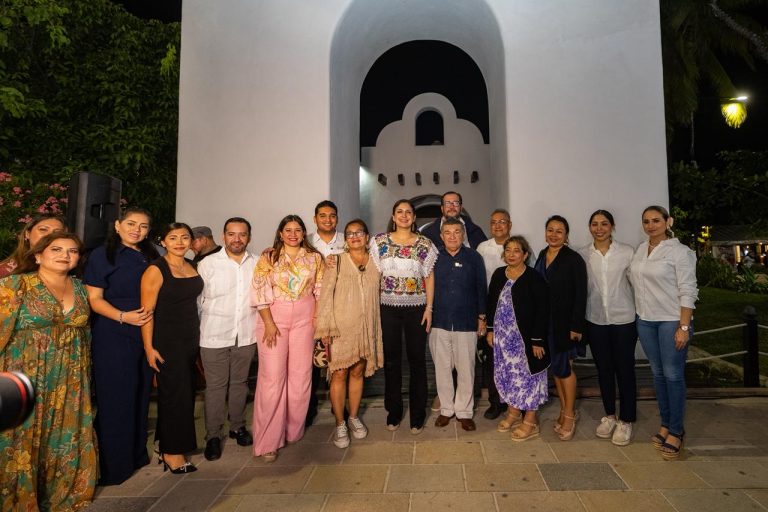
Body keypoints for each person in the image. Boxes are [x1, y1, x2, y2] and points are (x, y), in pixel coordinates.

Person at [0, 232, 97, 510]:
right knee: (20, 436)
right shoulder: (15, 284)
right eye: (56, 249)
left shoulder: (80, 288)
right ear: (38, 255)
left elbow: (85, 334)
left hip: (69, 377)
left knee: (62, 436)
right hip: (23, 374)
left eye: (72, 251)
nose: (65, 255)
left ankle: (59, 493)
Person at [83, 207, 158, 485]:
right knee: (116, 398)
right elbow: (94, 299)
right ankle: (114, 467)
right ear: (117, 225)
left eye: (143, 226)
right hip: (114, 331)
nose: (136, 230)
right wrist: (124, 316)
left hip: (146, 332)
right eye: (131, 223)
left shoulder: (150, 256)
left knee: (140, 394)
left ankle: (136, 455)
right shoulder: (103, 254)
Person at [251, 215, 323, 462]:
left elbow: (320, 290)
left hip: (305, 320)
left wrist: (317, 320)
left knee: (301, 377)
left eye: (298, 230)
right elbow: (259, 290)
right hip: (274, 320)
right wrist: (269, 323)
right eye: (288, 230)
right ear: (280, 233)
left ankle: (293, 430)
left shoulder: (314, 258)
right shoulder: (269, 257)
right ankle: (268, 441)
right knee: (272, 379)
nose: (293, 234)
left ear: (304, 233)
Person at [630, 205, 698, 460]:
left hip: (671, 321)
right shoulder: (641, 249)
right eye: (646, 221)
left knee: (673, 375)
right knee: (658, 375)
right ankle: (666, 424)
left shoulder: (680, 252)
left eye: (656, 220)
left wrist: (683, 327)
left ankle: (677, 431)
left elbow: (688, 290)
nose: (651, 225)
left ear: (668, 222)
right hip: (646, 321)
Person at [314, 219, 383, 448]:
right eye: (350, 233)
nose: (354, 236)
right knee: (339, 374)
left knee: (358, 371)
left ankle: (353, 417)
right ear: (346, 239)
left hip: (366, 328)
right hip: (340, 328)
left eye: (359, 232)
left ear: (367, 237)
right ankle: (340, 423)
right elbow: (325, 296)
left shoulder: (377, 262)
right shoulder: (336, 261)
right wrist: (325, 327)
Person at [140, 222, 203, 473]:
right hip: (167, 340)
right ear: (163, 242)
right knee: (174, 396)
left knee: (185, 394)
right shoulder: (156, 270)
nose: (179, 242)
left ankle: (165, 444)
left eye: (184, 237)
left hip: (190, 339)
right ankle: (172, 453)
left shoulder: (192, 265)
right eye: (173, 238)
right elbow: (147, 312)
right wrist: (148, 347)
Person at [371, 199, 437, 434]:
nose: (404, 215)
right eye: (399, 211)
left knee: (417, 361)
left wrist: (429, 308)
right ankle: (394, 411)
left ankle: (417, 414)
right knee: (391, 361)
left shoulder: (425, 244)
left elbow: (429, 277)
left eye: (408, 212)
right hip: (387, 308)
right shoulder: (379, 242)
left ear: (414, 217)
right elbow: (373, 274)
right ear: (393, 216)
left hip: (416, 308)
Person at [198, 217, 257, 461]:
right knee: (215, 387)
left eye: (242, 234)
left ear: (249, 237)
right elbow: (198, 301)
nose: (237, 239)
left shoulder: (258, 263)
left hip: (246, 333)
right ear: (223, 237)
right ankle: (213, 435)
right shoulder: (208, 264)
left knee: (240, 383)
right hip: (214, 334)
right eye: (232, 234)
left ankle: (237, 426)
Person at [578, 210, 637, 446]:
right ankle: (610, 416)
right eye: (594, 224)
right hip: (595, 319)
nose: (599, 228)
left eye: (604, 224)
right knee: (604, 370)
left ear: (612, 226)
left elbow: (637, 284)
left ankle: (627, 420)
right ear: (589, 227)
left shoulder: (627, 252)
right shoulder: (583, 254)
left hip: (624, 319)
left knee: (625, 370)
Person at [486, 236, 549, 441]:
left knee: (529, 377)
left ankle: (530, 419)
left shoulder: (533, 277)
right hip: (503, 339)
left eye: (516, 250)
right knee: (510, 376)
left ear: (525, 254)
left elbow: (543, 310)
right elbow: (491, 303)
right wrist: (490, 330)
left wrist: (537, 340)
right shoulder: (498, 274)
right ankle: (513, 412)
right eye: (508, 250)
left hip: (525, 340)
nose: (511, 254)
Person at [429, 218, 486, 431]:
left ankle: (464, 412)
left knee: (466, 370)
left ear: (463, 235)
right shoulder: (433, 258)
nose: (452, 236)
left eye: (456, 232)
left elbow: (481, 288)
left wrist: (482, 317)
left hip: (466, 322)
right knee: (442, 369)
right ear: (441, 236)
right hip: (439, 322)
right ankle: (446, 410)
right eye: (447, 232)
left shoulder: (474, 257)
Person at [534, 215, 587, 441]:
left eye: (559, 231)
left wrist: (576, 326)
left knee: (565, 368)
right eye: (550, 230)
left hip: (565, 324)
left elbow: (581, 294)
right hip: (546, 323)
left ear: (566, 235)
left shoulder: (573, 259)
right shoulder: (541, 255)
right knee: (555, 368)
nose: (553, 235)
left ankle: (570, 415)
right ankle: (565, 409)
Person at [305, 200, 346, 426]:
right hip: (312, 307)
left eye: (332, 215)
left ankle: (338, 405)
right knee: (310, 361)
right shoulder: (306, 241)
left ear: (337, 218)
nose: (328, 220)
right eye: (322, 215)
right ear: (315, 219)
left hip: (341, 306)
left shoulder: (346, 240)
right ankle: (309, 406)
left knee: (339, 358)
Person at [475, 208, 512, 419]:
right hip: (490, 308)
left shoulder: (517, 246)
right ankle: (495, 401)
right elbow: (478, 280)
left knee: (512, 357)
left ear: (510, 225)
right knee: (491, 359)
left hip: (514, 310)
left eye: (502, 222)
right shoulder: (483, 248)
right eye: (494, 222)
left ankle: (514, 400)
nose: (497, 226)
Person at [0, 213, 66, 278]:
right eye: (43, 229)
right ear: (27, 234)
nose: (50, 235)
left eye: (57, 232)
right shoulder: (5, 270)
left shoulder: (67, 265)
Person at [420, 191, 487, 249]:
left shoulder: (476, 231)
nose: (452, 207)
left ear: (461, 208)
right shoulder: (428, 234)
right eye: (447, 203)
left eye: (456, 203)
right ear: (442, 208)